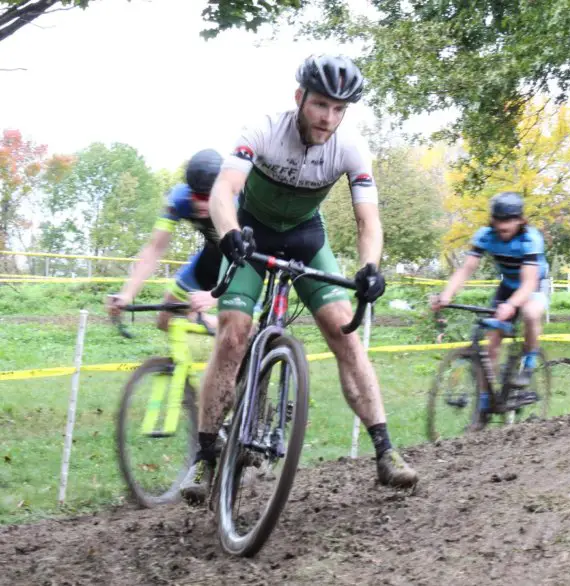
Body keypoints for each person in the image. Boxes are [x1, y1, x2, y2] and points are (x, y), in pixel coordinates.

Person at [179, 55, 418, 503]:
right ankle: (206, 454)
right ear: (299, 98)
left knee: (344, 330)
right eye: (321, 105)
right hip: (252, 236)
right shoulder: (264, 130)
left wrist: (370, 268)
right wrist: (230, 234)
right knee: (233, 335)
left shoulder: (349, 148)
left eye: (339, 109)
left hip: (306, 238)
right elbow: (224, 191)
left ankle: (386, 452)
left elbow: (369, 221)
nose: (328, 118)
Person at [431, 191, 549, 426]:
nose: (503, 226)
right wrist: (446, 295)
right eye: (499, 221)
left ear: (520, 220)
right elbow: (465, 270)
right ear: (493, 220)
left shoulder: (530, 239)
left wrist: (511, 305)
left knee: (530, 313)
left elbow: (527, 284)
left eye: (509, 221)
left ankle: (529, 361)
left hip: (533, 285)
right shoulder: (486, 236)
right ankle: (484, 404)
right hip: (507, 286)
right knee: (490, 343)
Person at [106, 149, 224, 330]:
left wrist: (215, 295)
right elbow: (154, 249)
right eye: (197, 196)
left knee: (238, 327)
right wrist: (127, 294)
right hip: (208, 262)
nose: (201, 204)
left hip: (241, 266)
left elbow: (249, 257)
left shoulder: (237, 205)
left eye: (207, 197)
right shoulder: (180, 198)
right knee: (165, 319)